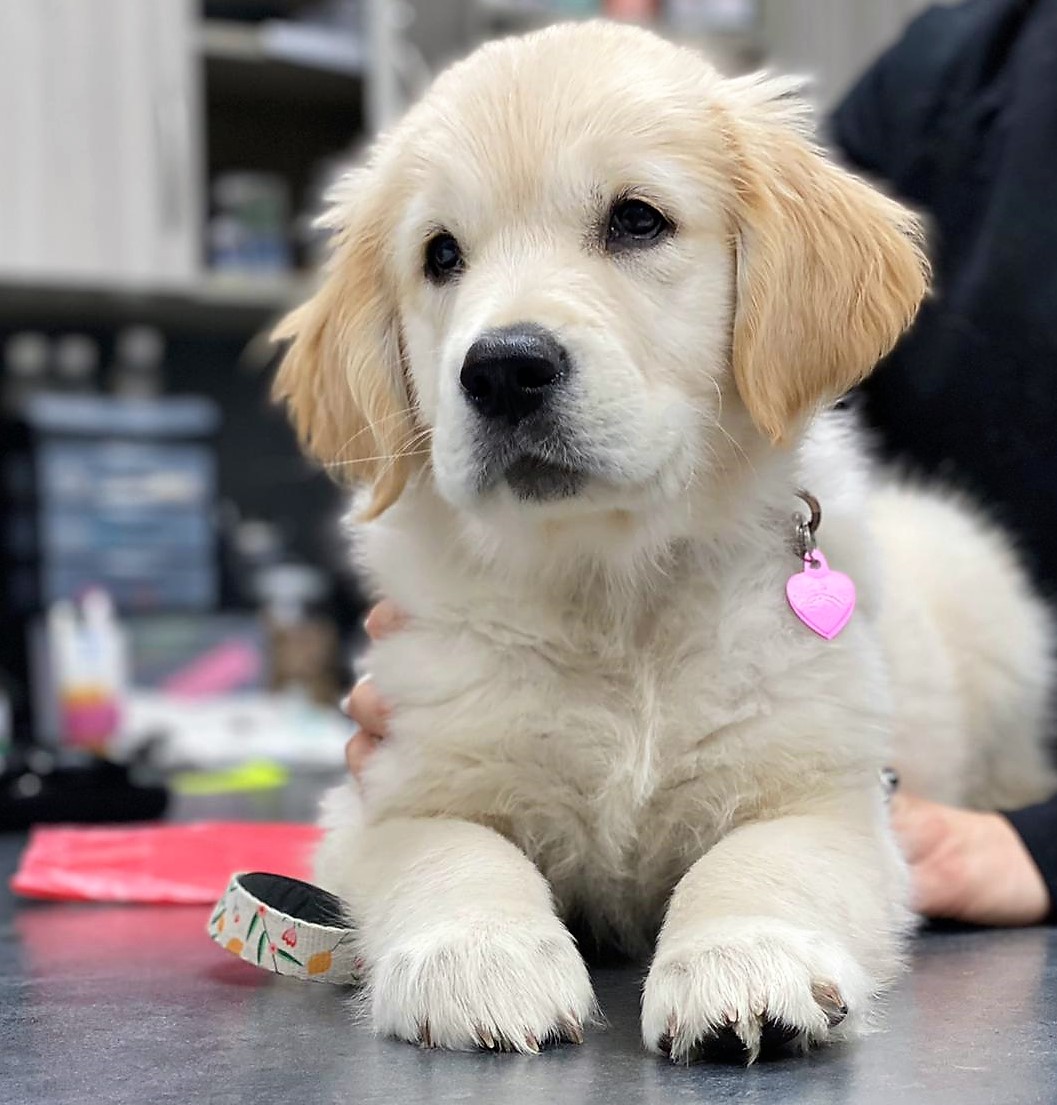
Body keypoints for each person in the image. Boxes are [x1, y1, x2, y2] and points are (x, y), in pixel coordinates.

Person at [341, 0, 1057, 927]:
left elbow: (818, 303)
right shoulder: (959, 69)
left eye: (634, 220)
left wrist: (1034, 841)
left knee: (952, 562)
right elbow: (385, 838)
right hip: (504, 589)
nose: (501, 341)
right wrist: (432, 840)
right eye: (444, 254)